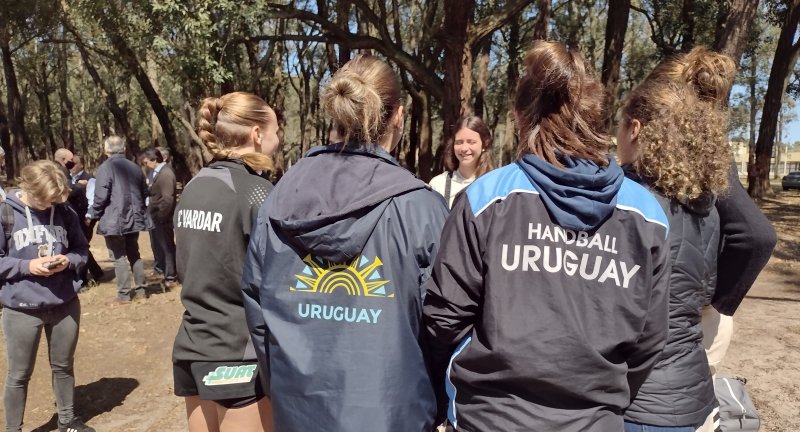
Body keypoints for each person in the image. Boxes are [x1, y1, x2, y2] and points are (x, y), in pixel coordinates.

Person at [422, 41, 671, 431]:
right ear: (596, 119)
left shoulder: (487, 198)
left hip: (490, 418)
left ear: (520, 118)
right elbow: (650, 339)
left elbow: (444, 317)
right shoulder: (648, 213)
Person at [242, 54, 448, 431]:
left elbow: (258, 314)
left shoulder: (278, 199)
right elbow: (444, 325)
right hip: (394, 414)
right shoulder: (423, 210)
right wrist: (436, 403)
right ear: (398, 116)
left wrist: (285, 392)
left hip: (300, 412)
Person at [617, 47, 736, 432]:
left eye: (619, 126)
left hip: (637, 399)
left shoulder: (627, 203)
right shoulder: (709, 208)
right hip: (693, 395)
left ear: (635, 129)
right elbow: (702, 294)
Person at [172, 91, 279, 432]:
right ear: (257, 134)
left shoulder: (194, 186)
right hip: (238, 351)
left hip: (193, 342)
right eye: (277, 130)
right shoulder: (256, 191)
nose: (279, 140)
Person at [0, 160, 94, 432]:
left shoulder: (63, 211)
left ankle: (67, 421)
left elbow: (81, 249)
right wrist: (26, 266)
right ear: (28, 188)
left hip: (64, 303)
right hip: (22, 307)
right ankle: (13, 429)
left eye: (54, 199)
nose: (49, 204)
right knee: (18, 374)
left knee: (63, 367)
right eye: (44, 199)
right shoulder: (6, 212)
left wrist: (69, 260)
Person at [88, 136, 150, 303]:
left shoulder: (105, 168)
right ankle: (141, 290)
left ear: (106, 150)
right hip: (134, 217)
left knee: (118, 256)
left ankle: (123, 294)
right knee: (134, 253)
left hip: (114, 218)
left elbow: (100, 196)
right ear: (123, 149)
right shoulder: (135, 167)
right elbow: (145, 192)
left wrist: (93, 214)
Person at [429, 115, 495, 207]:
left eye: (471, 142)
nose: (464, 148)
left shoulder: (495, 185)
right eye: (459, 142)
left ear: (485, 144)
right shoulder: (439, 185)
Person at [138, 147, 178, 290]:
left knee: (167, 247)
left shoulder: (166, 173)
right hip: (156, 216)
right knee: (161, 246)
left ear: (155, 160)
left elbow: (168, 198)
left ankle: (171, 276)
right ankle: (167, 272)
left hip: (163, 218)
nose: (145, 164)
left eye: (147, 161)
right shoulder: (158, 172)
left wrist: (161, 216)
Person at [69, 155, 104, 285]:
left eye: (74, 164)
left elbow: (93, 201)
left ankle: (83, 279)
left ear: (82, 165)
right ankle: (97, 272)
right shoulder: (68, 179)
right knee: (82, 246)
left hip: (85, 219)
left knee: (81, 246)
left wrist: (89, 217)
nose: (71, 167)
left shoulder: (90, 180)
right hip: (74, 219)